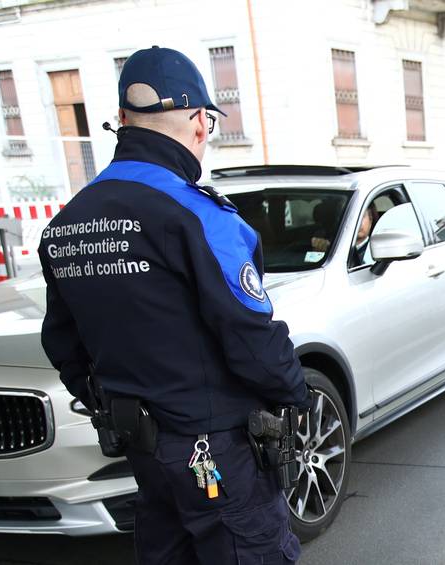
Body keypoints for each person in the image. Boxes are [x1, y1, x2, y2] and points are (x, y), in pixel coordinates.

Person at [38, 46, 308, 564]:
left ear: (121, 121)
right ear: (199, 123)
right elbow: (252, 338)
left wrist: (113, 402)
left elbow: (64, 344)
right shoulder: (198, 216)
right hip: (217, 449)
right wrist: (293, 395)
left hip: (143, 449)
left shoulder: (67, 225)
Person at [311, 202, 378, 266]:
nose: (357, 222)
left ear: (371, 219)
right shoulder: (331, 245)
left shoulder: (376, 249)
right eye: (351, 217)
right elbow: (312, 266)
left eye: (361, 216)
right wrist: (319, 254)